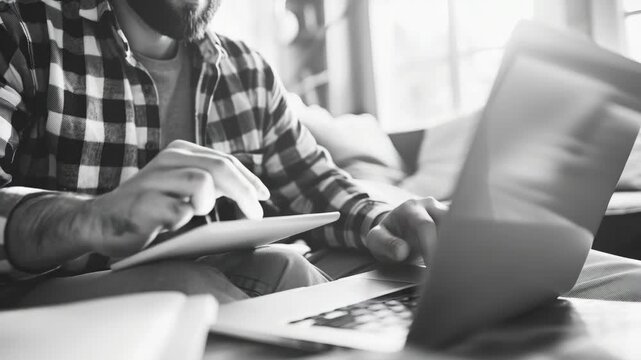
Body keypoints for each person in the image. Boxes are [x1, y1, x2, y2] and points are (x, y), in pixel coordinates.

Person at [0, 0, 639, 309]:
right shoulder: (24, 32)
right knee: (224, 281)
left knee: (597, 283)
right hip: (64, 294)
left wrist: (386, 220)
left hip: (243, 276)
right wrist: (95, 218)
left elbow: (325, 191)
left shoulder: (245, 69)